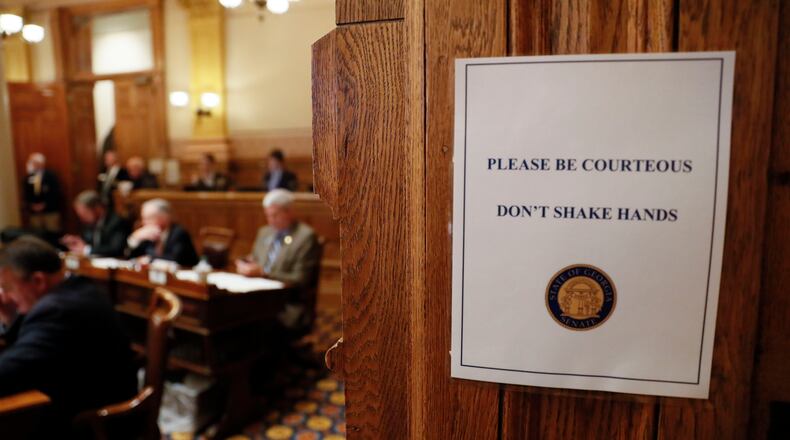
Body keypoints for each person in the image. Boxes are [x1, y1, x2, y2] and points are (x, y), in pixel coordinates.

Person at [0, 236, 137, 435]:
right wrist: (8, 316)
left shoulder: (58, 310)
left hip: (92, 423)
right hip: (85, 400)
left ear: (38, 281)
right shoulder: (75, 287)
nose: (5, 296)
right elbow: (27, 348)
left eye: (7, 287)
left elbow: (11, 371)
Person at [235, 189, 320, 329]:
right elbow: (255, 260)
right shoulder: (265, 232)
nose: (271, 221)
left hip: (286, 304)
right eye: (268, 216)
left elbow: (300, 279)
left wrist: (263, 273)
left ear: (289, 212)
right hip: (258, 297)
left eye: (275, 215)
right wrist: (245, 264)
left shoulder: (305, 237)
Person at [127, 198, 199, 267]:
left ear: (165, 217)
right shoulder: (147, 234)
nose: (144, 222)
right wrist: (135, 238)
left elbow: (176, 259)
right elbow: (131, 257)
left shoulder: (179, 233)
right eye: (144, 218)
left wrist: (150, 259)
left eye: (149, 218)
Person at [61, 190, 131, 258]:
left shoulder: (117, 222)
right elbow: (87, 242)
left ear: (97, 208)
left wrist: (86, 249)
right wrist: (76, 241)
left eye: (84, 213)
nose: (82, 218)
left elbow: (116, 249)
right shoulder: (89, 223)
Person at [22, 153, 62, 233]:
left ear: (41, 163)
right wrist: (32, 205)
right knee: (37, 233)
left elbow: (55, 193)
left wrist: (44, 204)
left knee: (52, 233)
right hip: (34, 212)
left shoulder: (51, 176)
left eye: (33, 162)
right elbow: (26, 193)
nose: (31, 164)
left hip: (50, 211)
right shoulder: (28, 177)